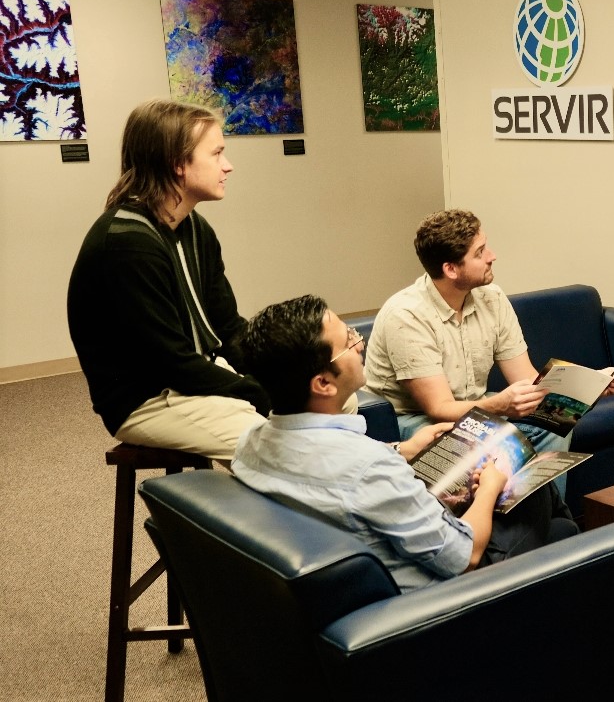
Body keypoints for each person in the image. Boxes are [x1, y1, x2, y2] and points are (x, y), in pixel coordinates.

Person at [231, 295, 576, 591]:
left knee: (560, 527)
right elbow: (464, 557)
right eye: (349, 340)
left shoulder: (251, 442)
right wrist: (490, 487)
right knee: (532, 488)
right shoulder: (367, 468)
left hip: (355, 566)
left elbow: (329, 467)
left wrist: (401, 449)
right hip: (433, 599)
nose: (360, 342)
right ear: (323, 383)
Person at [67, 98, 269, 457]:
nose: (228, 166)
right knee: (273, 443)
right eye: (217, 154)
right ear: (178, 164)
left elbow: (228, 326)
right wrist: (256, 391)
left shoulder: (195, 228)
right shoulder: (128, 243)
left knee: (317, 404)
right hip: (147, 399)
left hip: (192, 376)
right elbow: (169, 363)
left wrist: (278, 370)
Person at [363, 209, 614, 458]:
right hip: (411, 420)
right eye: (480, 252)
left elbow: (528, 379)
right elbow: (439, 408)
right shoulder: (407, 315)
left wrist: (587, 387)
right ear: (451, 269)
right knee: (488, 443)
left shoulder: (492, 298)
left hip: (474, 404)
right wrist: (499, 405)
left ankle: (542, 505)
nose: (492, 256)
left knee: (555, 425)